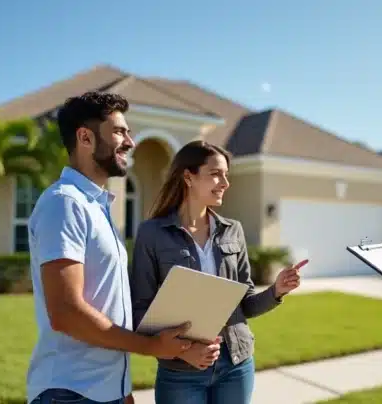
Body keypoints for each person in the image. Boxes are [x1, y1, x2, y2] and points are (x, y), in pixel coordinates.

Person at [26, 92, 218, 404]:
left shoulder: (96, 207)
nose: (130, 141)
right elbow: (66, 312)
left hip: (105, 390)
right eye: (119, 132)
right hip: (71, 392)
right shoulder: (64, 203)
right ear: (85, 138)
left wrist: (122, 390)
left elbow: (105, 304)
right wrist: (152, 347)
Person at [129, 140, 308, 404]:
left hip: (236, 365)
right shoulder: (152, 233)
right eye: (215, 174)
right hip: (180, 372)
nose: (225, 182)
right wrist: (184, 351)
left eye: (226, 175)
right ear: (188, 177)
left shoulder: (233, 230)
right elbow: (140, 310)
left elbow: (244, 305)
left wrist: (277, 290)